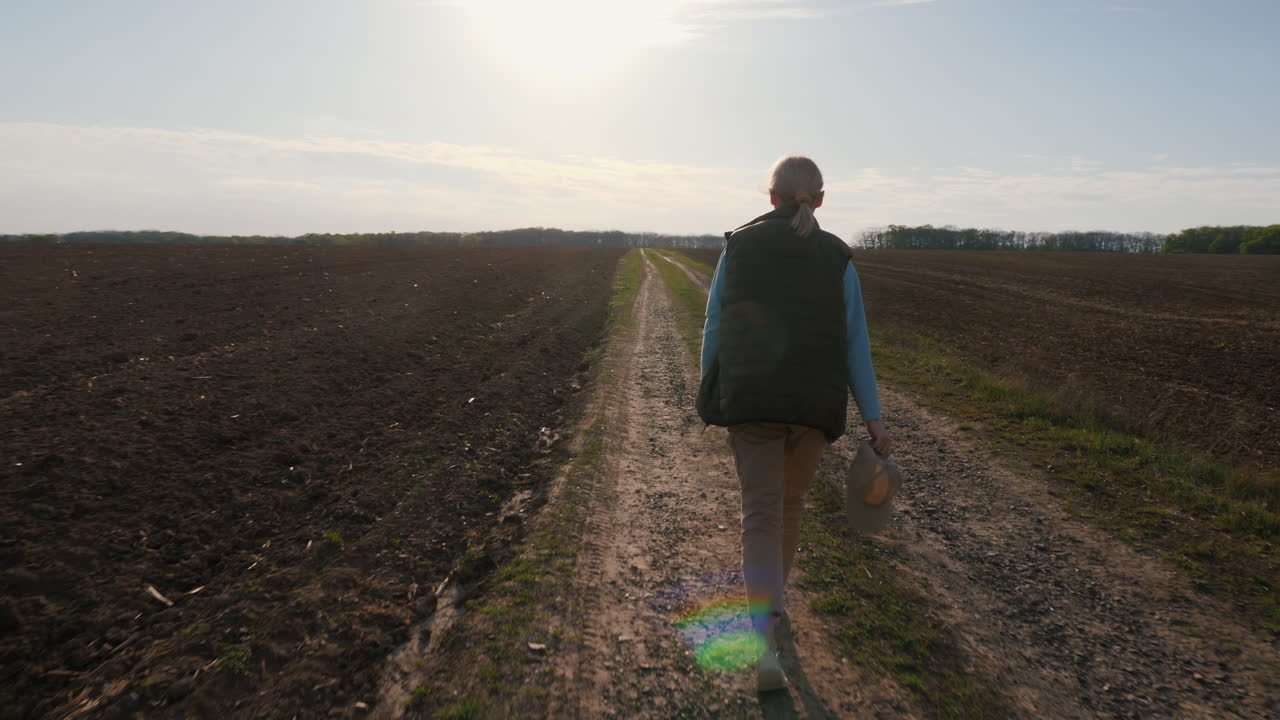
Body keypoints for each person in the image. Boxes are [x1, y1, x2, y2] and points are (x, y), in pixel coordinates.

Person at [696, 155, 892, 692]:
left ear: (771, 197)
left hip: (752, 401)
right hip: (812, 408)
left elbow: (715, 323)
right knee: (788, 508)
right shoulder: (837, 258)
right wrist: (873, 419)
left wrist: (710, 386)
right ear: (820, 200)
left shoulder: (738, 246)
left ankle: (764, 645)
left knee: (759, 515)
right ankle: (775, 615)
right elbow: (856, 344)